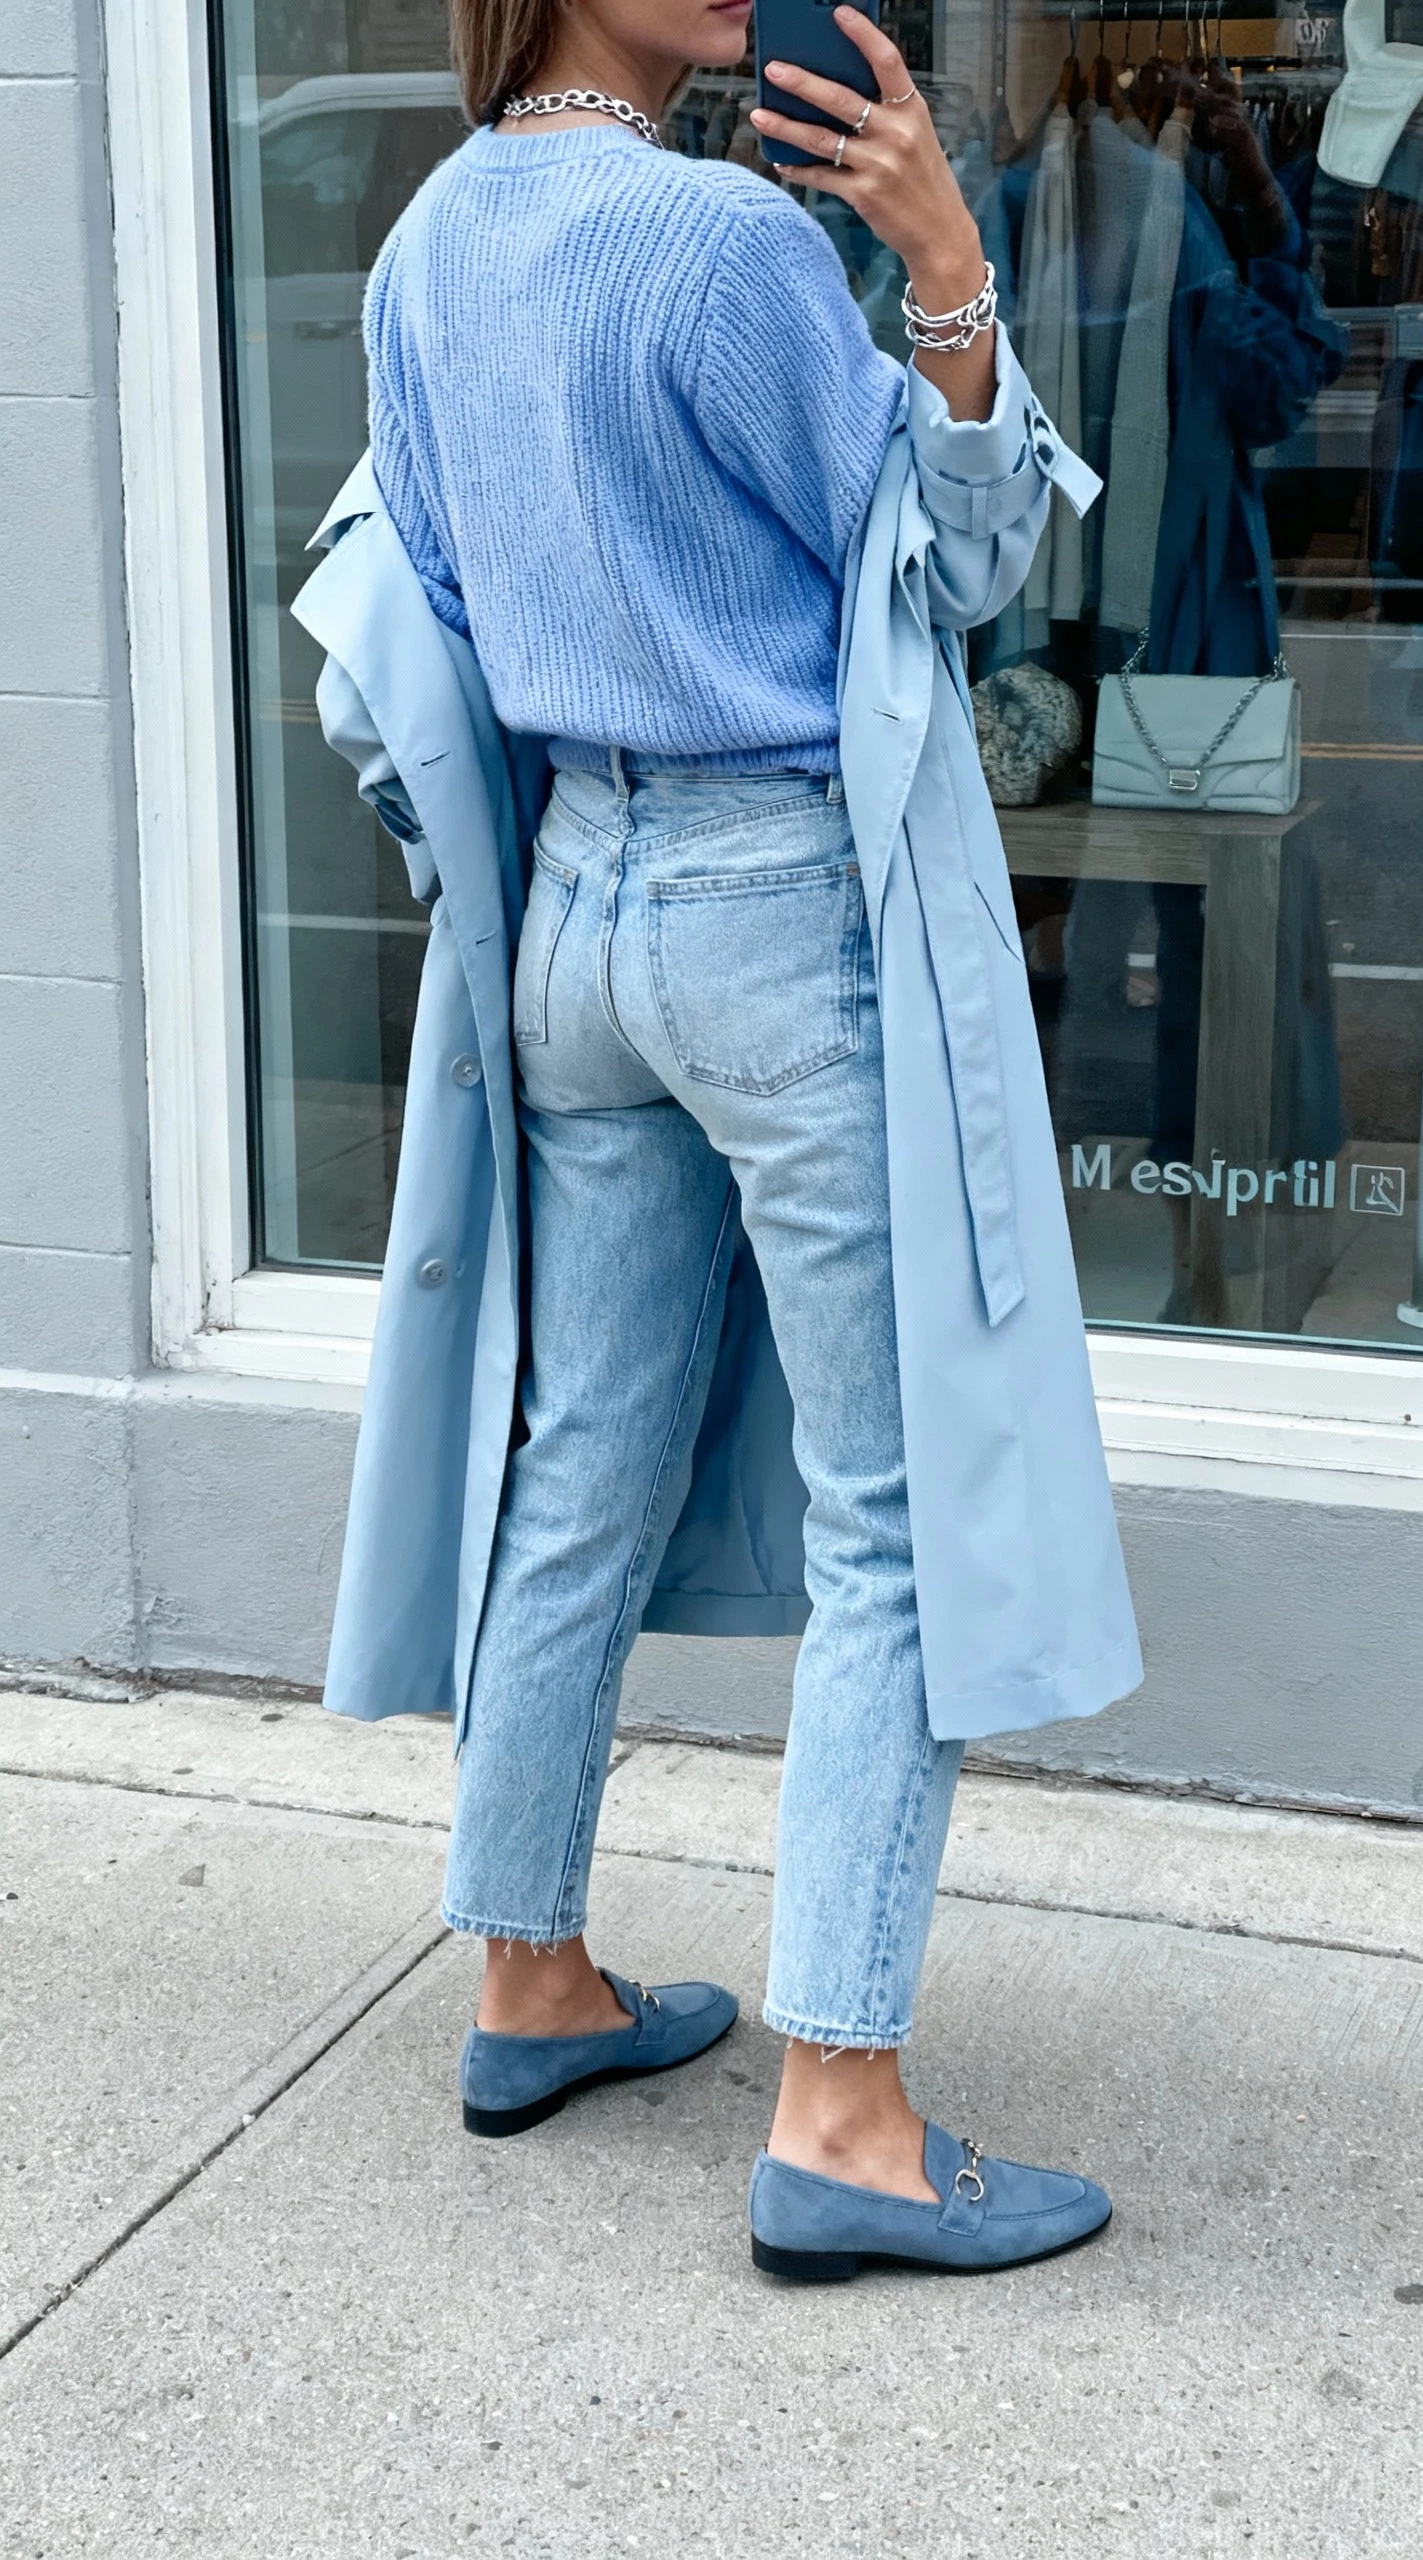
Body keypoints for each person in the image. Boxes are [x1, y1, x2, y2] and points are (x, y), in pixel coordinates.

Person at [313, 0, 1141, 2280]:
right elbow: (952, 569)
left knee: (579, 1453)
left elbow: (421, 621)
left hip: (570, 910)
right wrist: (952, 275)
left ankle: (526, 1971)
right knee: (894, 1510)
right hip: (778, 909)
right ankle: (846, 2110)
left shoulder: (424, 249)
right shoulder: (726, 248)